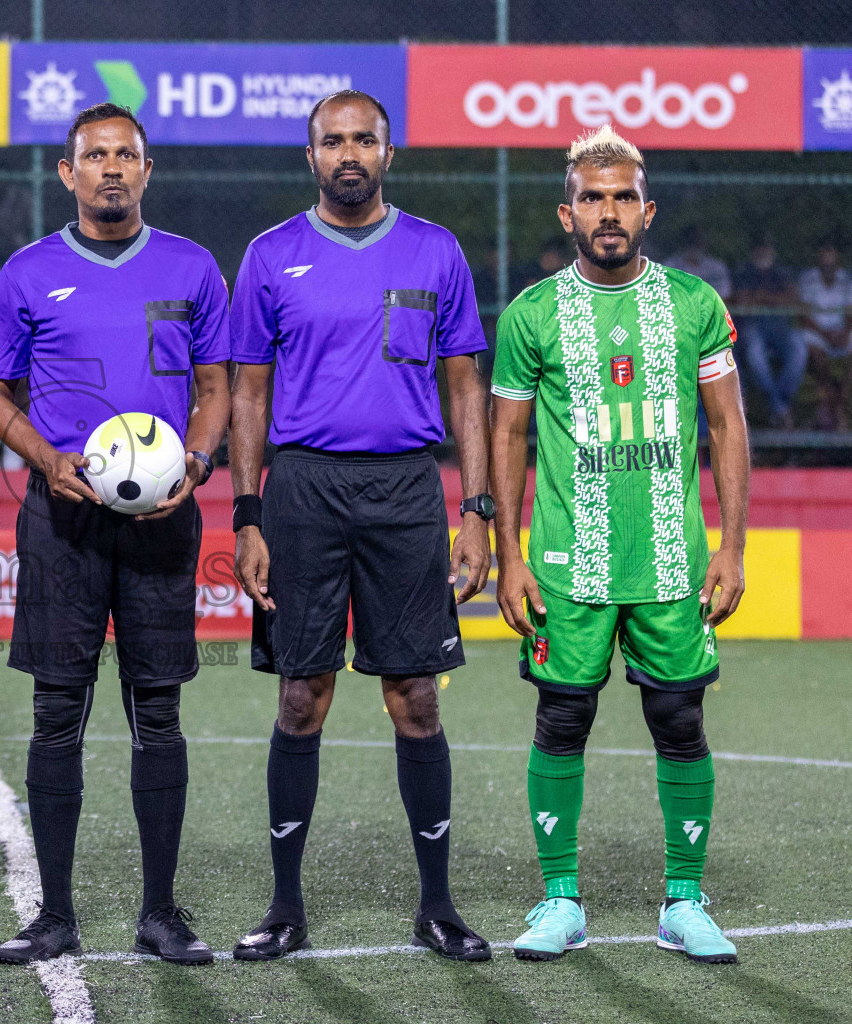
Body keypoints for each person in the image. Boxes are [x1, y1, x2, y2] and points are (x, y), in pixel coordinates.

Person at [228, 90, 493, 962]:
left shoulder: (436, 250)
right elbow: (249, 395)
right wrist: (249, 510)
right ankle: (284, 907)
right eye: (333, 141)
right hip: (302, 490)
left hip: (407, 491)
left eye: (364, 140)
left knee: (415, 697)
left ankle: (439, 905)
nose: (350, 153)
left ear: (390, 151)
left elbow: (464, 389)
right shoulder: (270, 255)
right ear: (311, 156)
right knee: (301, 696)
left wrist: (477, 510)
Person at [0, 102, 232, 965]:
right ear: (68, 173)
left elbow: (218, 387)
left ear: (148, 170)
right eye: (95, 156)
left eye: (127, 154)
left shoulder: (194, 267)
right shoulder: (26, 273)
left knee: (156, 712)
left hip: (166, 522)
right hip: (64, 520)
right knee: (58, 712)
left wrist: (195, 464)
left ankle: (160, 913)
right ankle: (54, 914)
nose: (112, 168)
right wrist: (45, 458)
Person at [489, 124, 749, 965]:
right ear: (568, 213)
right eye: (593, 197)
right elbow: (506, 438)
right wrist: (511, 554)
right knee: (561, 717)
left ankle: (685, 900)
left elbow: (727, 425)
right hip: (567, 564)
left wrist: (733, 546)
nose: (609, 211)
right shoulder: (532, 315)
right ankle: (560, 899)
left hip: (671, 559)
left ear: (648, 209)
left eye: (623, 197)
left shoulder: (694, 305)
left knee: (680, 720)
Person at [732, 235, 803, 429]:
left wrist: (764, 297)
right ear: (752, 251)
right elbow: (742, 301)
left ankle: (778, 404)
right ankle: (780, 408)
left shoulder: (782, 273)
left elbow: (793, 299)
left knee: (799, 349)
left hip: (781, 328)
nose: (763, 252)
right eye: (759, 248)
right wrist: (772, 298)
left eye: (766, 248)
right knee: (755, 353)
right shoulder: (743, 272)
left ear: (772, 250)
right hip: (753, 328)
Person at [794, 239, 852, 431]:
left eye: (831, 253)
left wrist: (844, 332)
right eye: (823, 253)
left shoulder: (846, 279)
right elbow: (804, 315)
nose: (827, 257)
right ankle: (836, 407)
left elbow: (850, 312)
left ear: (837, 256)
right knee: (815, 353)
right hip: (817, 331)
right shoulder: (808, 278)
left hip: (841, 331)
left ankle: (838, 401)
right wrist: (825, 334)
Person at [666, 225, 732, 301]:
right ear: (682, 244)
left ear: (704, 243)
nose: (693, 246)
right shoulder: (669, 267)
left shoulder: (717, 267)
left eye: (697, 242)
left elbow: (724, 296)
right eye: (690, 242)